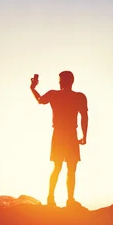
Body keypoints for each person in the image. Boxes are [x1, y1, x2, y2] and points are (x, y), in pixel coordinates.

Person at [30, 71, 88, 207]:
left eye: (61, 80)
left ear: (64, 81)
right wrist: (84, 136)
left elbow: (40, 100)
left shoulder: (55, 94)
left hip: (62, 135)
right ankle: (64, 199)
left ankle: (58, 199)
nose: (60, 82)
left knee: (61, 168)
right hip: (68, 135)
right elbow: (84, 117)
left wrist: (33, 88)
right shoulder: (78, 97)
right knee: (67, 168)